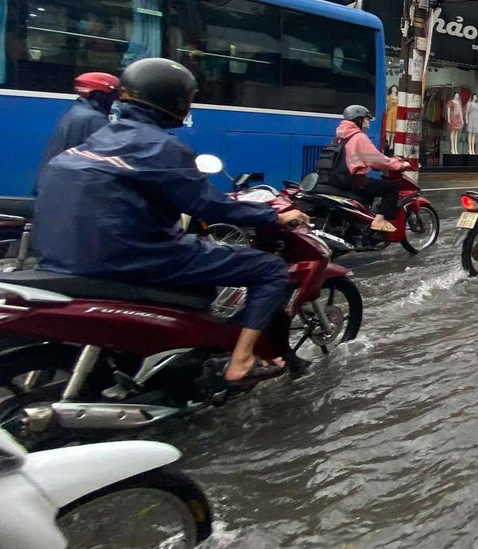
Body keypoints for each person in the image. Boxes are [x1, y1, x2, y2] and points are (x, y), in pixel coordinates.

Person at [33, 58, 308, 385]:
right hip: (131, 258)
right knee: (270, 269)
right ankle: (242, 360)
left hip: (59, 258)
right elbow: (210, 206)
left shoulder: (96, 139)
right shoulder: (161, 147)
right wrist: (273, 215)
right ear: (174, 101)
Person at [333, 105, 407, 234]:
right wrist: (399, 165)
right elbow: (377, 160)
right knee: (391, 188)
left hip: (338, 179)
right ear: (359, 120)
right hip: (355, 181)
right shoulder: (358, 137)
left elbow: (358, 158)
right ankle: (378, 220)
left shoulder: (340, 136)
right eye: (366, 120)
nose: (368, 124)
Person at [38, 71, 120, 171]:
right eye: (113, 94)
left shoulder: (76, 112)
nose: (116, 99)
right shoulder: (94, 118)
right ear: (98, 94)